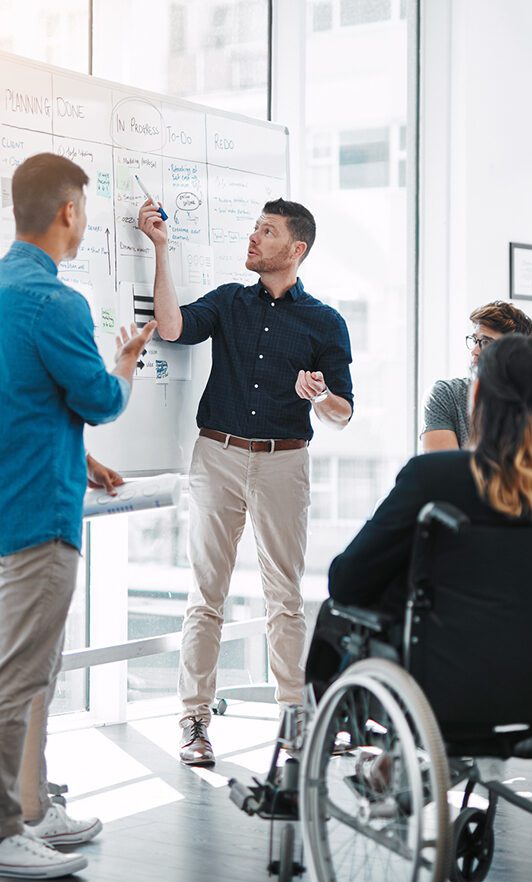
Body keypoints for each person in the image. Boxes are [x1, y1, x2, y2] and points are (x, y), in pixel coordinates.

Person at [0, 152, 156, 880]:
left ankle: (33, 808)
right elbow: (100, 399)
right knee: (17, 675)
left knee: (30, 671)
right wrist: (127, 361)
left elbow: (17, 400)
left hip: (1, 495)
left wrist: (85, 462)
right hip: (38, 511)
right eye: (85, 208)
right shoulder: (56, 303)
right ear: (68, 211)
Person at [137, 197, 354, 767]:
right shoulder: (231, 302)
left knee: (284, 597)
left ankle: (295, 719)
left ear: (296, 249)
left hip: (285, 461)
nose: (254, 238)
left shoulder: (324, 322)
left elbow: (342, 411)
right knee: (205, 594)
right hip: (218, 456)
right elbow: (173, 326)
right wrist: (160, 248)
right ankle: (193, 720)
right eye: (255, 228)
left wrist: (320, 396)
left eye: (267, 231)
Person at [309, 334, 532, 680]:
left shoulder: (433, 477)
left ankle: (301, 731)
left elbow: (347, 580)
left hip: (450, 681)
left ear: (475, 396)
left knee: (336, 612)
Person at [422, 301, 532, 478]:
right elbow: (445, 478)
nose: (474, 350)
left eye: (486, 342)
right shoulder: (445, 395)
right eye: (475, 340)